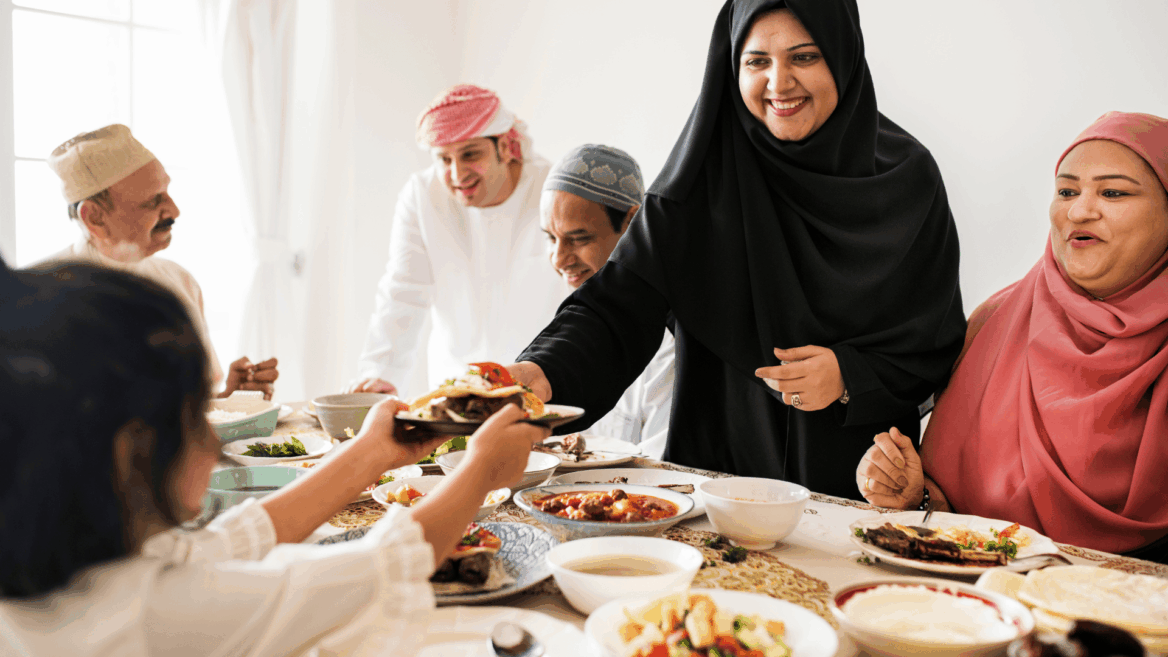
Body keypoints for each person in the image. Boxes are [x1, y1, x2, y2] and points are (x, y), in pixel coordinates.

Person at [509, 0, 966, 500]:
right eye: (757, 61)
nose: (779, 82)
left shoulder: (906, 180)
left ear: (843, 55)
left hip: (858, 482)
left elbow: (933, 340)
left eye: (805, 57)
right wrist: (542, 373)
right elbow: (616, 309)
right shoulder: (697, 183)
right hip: (718, 480)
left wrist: (849, 377)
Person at [0, 263, 550, 655]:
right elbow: (384, 564)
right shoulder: (153, 618)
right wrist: (480, 469)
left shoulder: (80, 573)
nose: (216, 446)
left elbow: (233, 539)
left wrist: (373, 451)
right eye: (196, 417)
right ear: (128, 451)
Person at [855, 111, 1168, 563]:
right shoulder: (996, 323)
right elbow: (951, 509)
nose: (1079, 210)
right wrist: (910, 494)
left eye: (1113, 192)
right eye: (1066, 191)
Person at [348, 85, 569, 396]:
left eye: (470, 154)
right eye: (444, 159)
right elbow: (403, 291)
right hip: (455, 388)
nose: (456, 173)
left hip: (542, 385)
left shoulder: (554, 191)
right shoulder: (422, 195)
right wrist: (380, 372)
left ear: (505, 147)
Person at [38, 124, 279, 399]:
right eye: (153, 201)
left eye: (166, 192)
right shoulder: (40, 300)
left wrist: (230, 396)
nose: (175, 210)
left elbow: (187, 406)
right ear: (95, 217)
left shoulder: (180, 281)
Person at [540, 144, 674, 458]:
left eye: (579, 238)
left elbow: (667, 476)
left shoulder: (670, 343)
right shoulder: (561, 322)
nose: (560, 258)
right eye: (550, 237)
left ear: (632, 223)